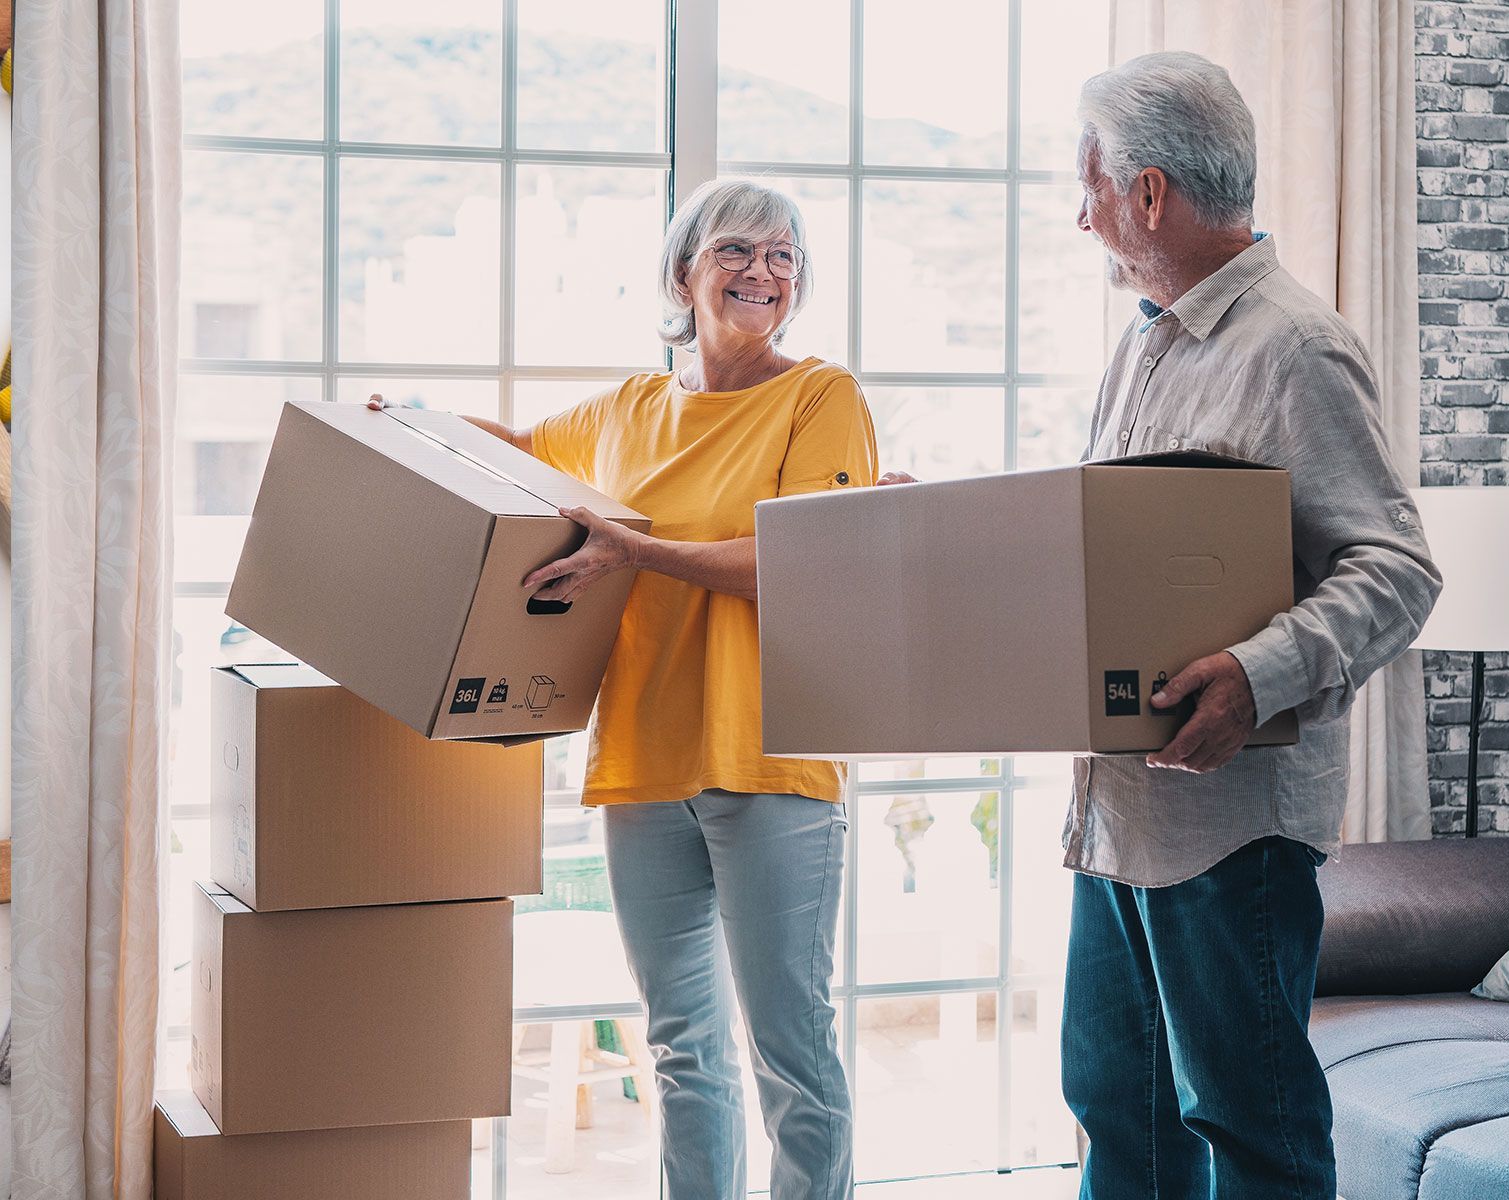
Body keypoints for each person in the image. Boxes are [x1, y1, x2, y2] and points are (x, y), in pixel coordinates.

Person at [882, 52, 1442, 1197]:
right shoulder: (1149, 340)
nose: (1078, 214)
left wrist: (1256, 670)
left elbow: (1396, 569)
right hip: (1121, 815)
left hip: (1229, 827)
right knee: (1118, 1111)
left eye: (1089, 185)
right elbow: (1116, 545)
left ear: (1147, 194)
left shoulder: (1295, 345)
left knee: (1250, 1129)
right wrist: (945, 529)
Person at [372, 179, 873, 1200]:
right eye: (737, 250)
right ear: (683, 273)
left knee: (792, 1046)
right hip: (644, 764)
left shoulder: (821, 397)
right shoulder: (628, 410)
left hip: (770, 758)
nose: (762, 273)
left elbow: (808, 564)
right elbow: (518, 456)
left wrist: (636, 551)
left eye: (784, 257)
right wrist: (409, 423)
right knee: (684, 1046)